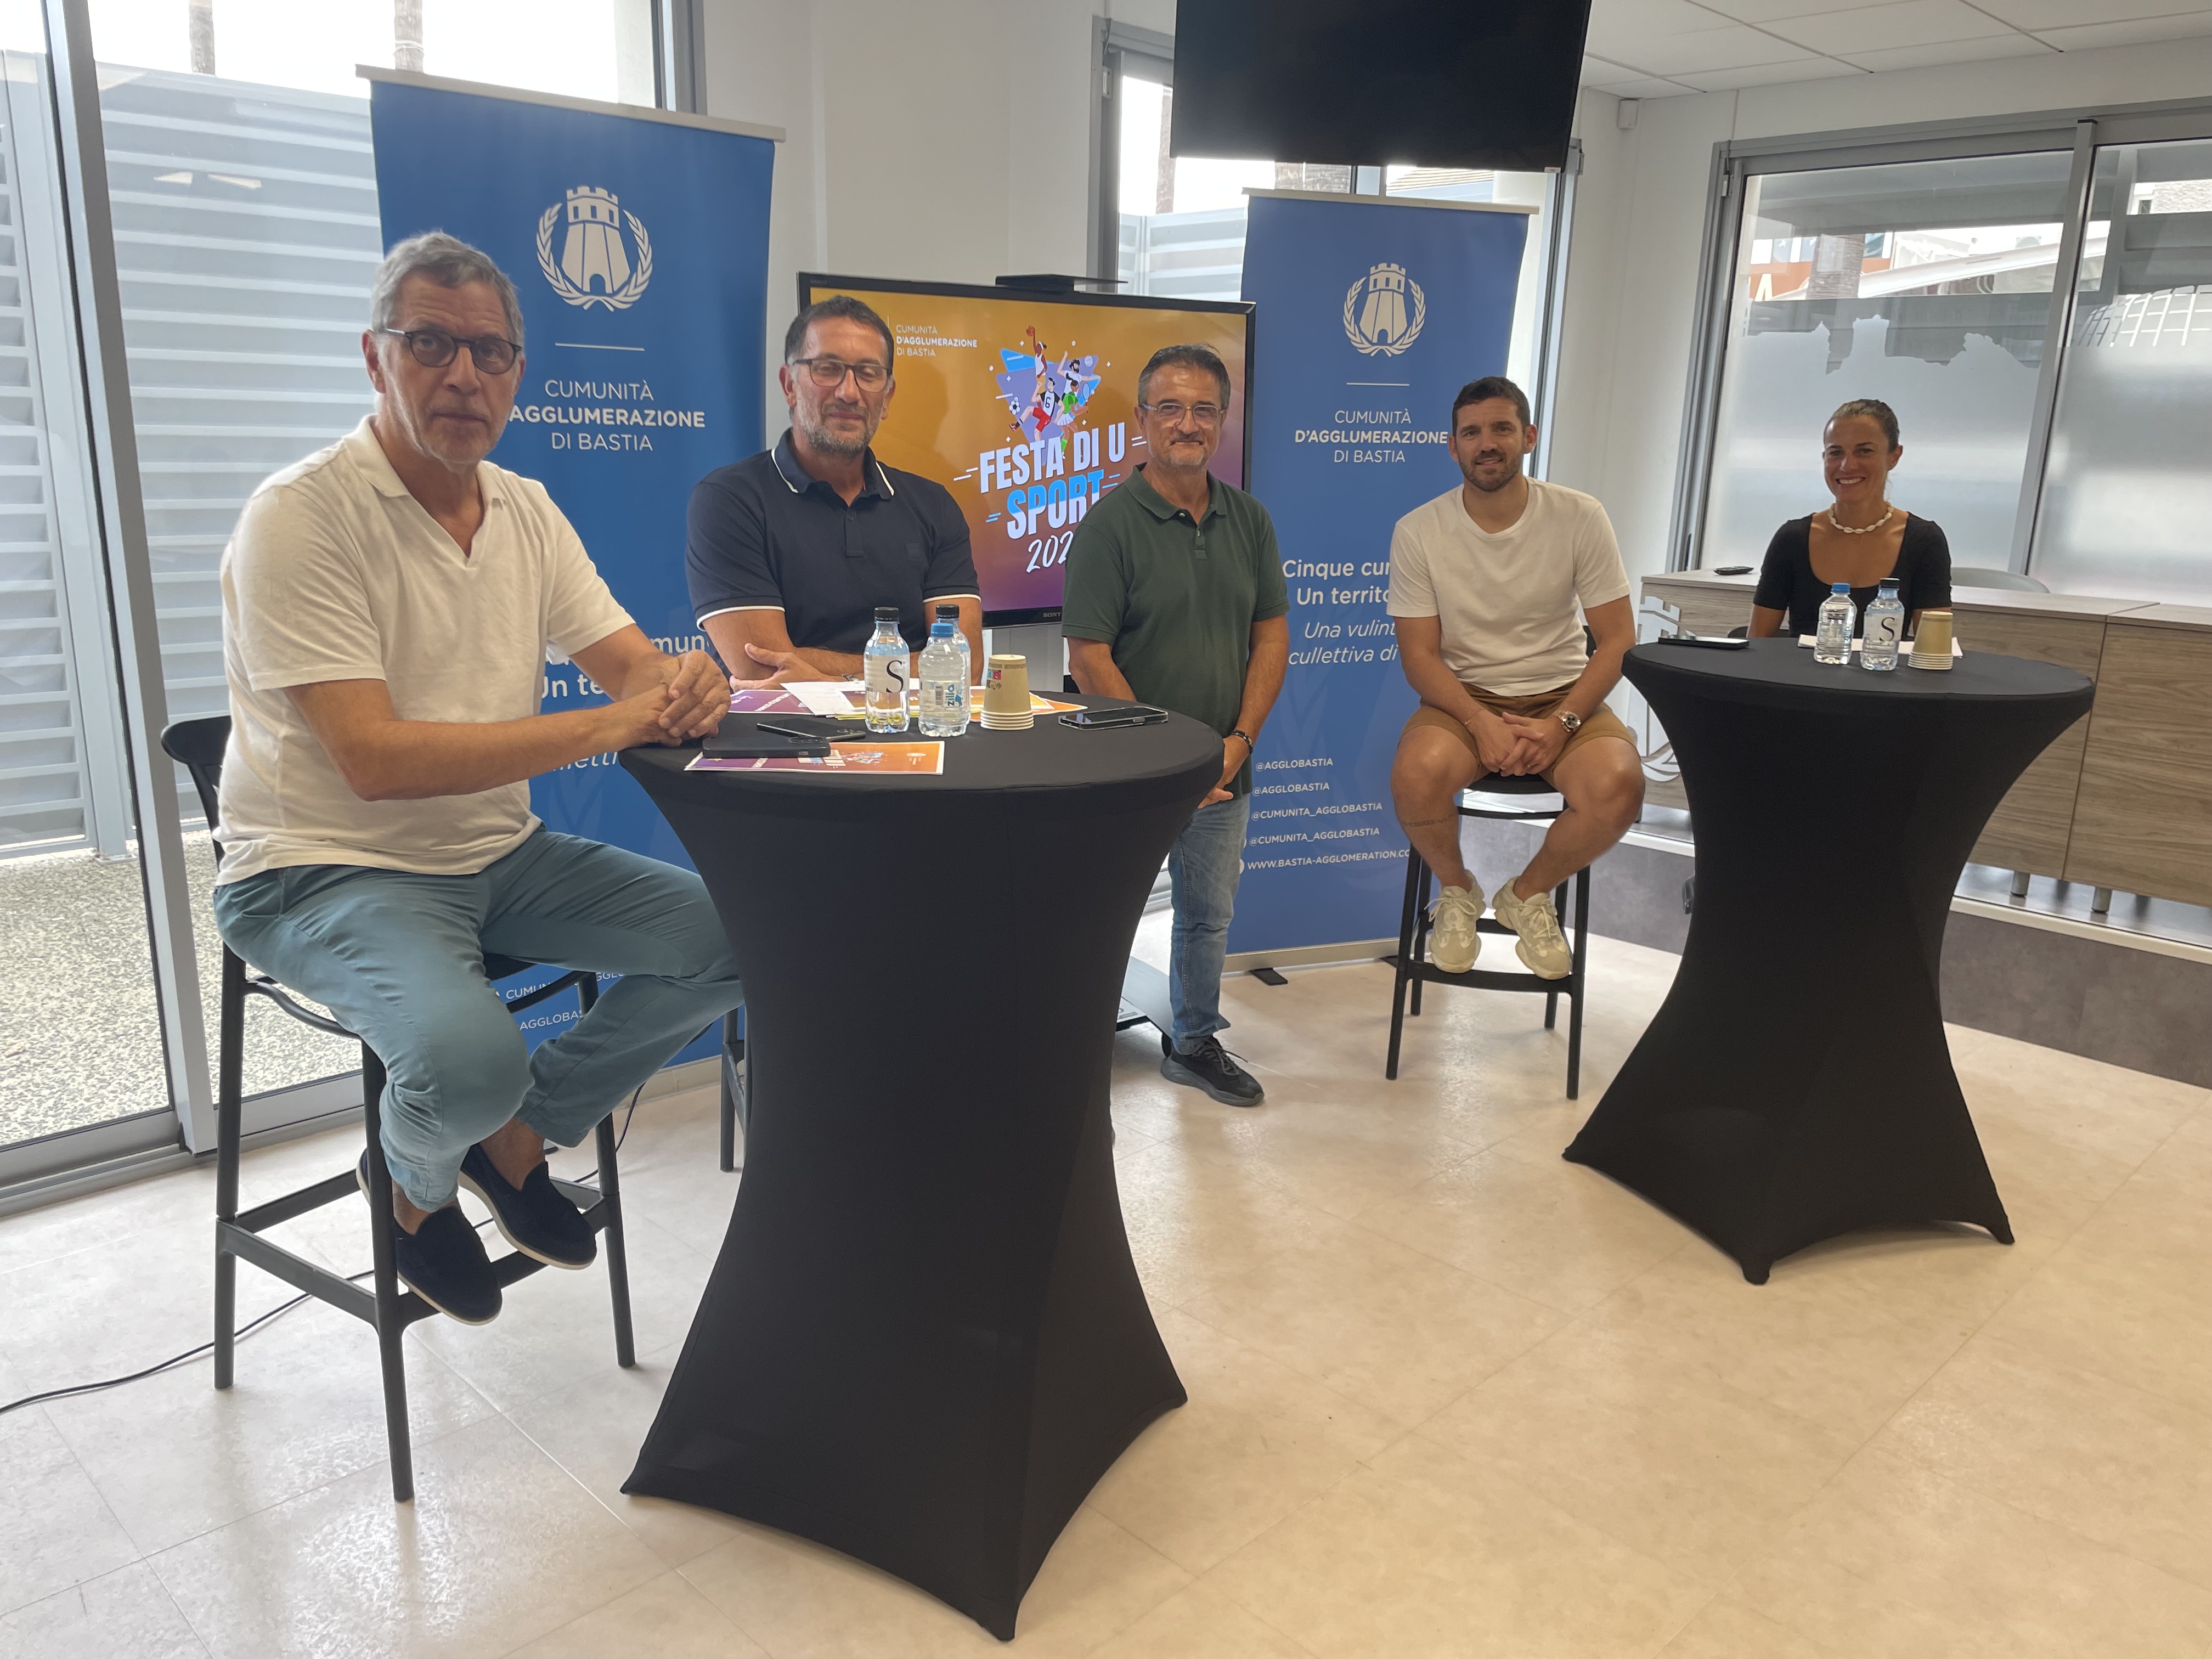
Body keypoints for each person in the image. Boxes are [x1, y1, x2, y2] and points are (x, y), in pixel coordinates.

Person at [213, 233, 746, 1325]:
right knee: (467, 1061)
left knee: (741, 937)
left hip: (494, 854)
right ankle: (411, 1191)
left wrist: (690, 686)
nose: (463, 374)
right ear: (376, 358)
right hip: (319, 870)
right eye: (431, 344)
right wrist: (608, 722)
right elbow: (374, 759)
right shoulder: (301, 515)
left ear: (517, 373)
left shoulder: (526, 508)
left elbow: (635, 668)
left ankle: (514, 1140)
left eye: (490, 353)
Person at [1063, 344, 1289, 1107]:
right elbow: (1089, 659)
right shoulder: (1108, 527)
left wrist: (1235, 747)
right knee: (1100, 911)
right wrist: (1171, 763)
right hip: (1129, 772)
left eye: (1203, 410)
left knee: (1207, 918)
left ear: (1221, 422)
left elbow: (1271, 638)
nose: (1187, 424)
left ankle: (1194, 1041)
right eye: (1170, 408)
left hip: (1229, 769)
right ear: (1142, 420)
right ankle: (1073, 1040)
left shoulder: (1249, 519)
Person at [1387, 375, 1643, 979]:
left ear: (1527, 436)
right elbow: (1420, 657)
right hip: (1464, 699)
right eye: (1471, 432)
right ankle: (1457, 891)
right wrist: (1478, 720)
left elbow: (1617, 640)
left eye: (1501, 428)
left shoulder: (1580, 516)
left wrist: (1562, 723)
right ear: (1452, 446)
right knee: (1414, 775)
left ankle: (1527, 895)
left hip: (1562, 695)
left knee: (1621, 789)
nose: (1487, 443)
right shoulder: (1418, 531)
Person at [687, 296, 983, 690]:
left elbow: (964, 667)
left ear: (888, 396)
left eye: (868, 373)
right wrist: (903, 667)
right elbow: (761, 670)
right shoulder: (729, 501)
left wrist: (823, 673)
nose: (849, 392)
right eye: (828, 370)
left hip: (917, 740)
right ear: (789, 385)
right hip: (784, 742)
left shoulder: (934, 506)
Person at [1748, 398, 1951, 638]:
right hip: (1798, 676)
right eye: (1836, 453)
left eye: (1864, 451)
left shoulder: (1924, 541)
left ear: (1894, 456)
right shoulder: (1792, 538)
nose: (1847, 466)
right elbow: (1757, 647)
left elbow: (1933, 653)